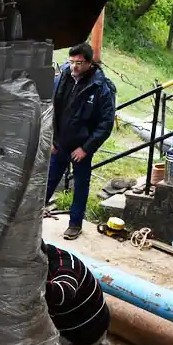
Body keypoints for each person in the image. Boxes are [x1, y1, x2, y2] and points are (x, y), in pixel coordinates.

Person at [47, 43, 117, 240]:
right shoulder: (62, 78)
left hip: (81, 148)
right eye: (71, 62)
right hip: (59, 144)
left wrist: (86, 149)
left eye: (79, 63)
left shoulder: (101, 87)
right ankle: (31, 217)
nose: (74, 67)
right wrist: (51, 138)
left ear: (89, 63)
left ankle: (75, 224)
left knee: (80, 187)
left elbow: (106, 123)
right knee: (48, 182)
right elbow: (50, 109)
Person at [42, 241, 110, 345]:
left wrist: (26, 285)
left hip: (81, 335)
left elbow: (64, 293)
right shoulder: (39, 263)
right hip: (62, 324)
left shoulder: (65, 265)